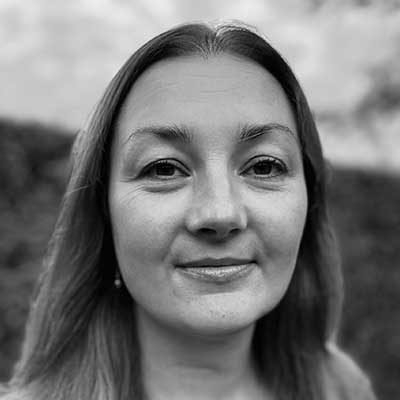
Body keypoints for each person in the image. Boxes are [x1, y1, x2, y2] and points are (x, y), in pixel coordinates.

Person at [0, 21, 377, 400]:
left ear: (308, 204)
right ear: (104, 215)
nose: (220, 213)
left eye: (264, 166)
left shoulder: (341, 389)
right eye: (163, 168)